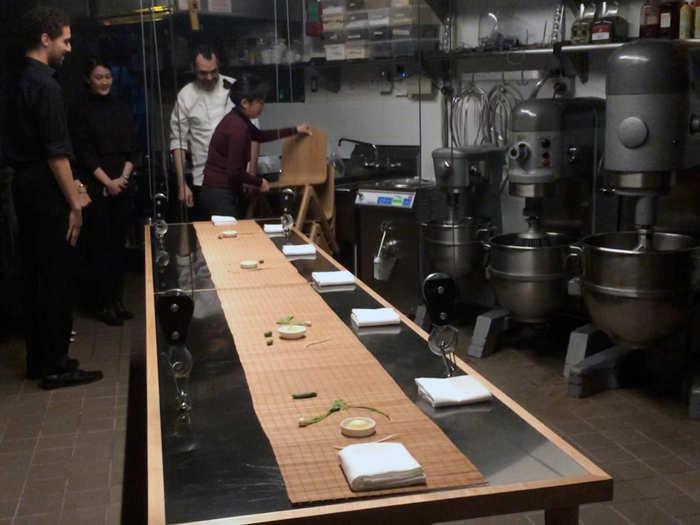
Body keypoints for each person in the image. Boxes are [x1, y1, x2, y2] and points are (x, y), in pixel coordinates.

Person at [5, 6, 102, 389]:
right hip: (47, 190)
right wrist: (75, 202)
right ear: (45, 39)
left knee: (34, 277)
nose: (68, 47)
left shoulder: (15, 79)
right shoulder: (47, 85)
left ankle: (39, 359)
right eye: (64, 40)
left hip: (24, 188)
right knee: (56, 278)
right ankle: (56, 366)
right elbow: (56, 154)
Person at [71, 57, 140, 326]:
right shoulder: (80, 110)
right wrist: (107, 182)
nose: (104, 82)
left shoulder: (120, 107)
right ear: (89, 79)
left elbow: (134, 145)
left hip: (122, 183)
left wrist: (123, 177)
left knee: (119, 247)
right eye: (98, 77)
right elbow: (84, 153)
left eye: (108, 77)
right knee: (99, 248)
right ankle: (103, 304)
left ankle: (118, 301)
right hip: (96, 185)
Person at [200, 73, 311, 217]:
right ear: (245, 103)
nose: (263, 106)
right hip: (219, 194)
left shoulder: (237, 118)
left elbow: (259, 135)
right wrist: (259, 182)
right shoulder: (237, 128)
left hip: (217, 191)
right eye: (260, 101)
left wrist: (295, 130)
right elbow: (234, 172)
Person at [169, 45, 260, 220]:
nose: (209, 77)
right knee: (210, 238)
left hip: (239, 179)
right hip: (204, 181)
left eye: (213, 71)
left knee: (239, 235)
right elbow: (178, 142)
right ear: (193, 69)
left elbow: (254, 134)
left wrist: (252, 173)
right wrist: (182, 184)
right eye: (203, 73)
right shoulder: (185, 96)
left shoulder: (235, 88)